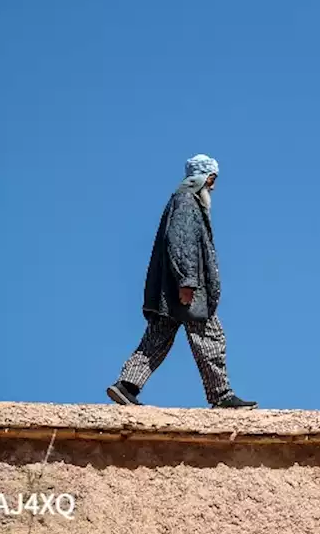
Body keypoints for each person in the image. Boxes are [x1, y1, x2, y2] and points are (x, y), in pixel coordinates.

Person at [106, 154, 256, 409]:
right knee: (210, 335)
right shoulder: (187, 202)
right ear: (203, 178)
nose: (214, 186)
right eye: (212, 179)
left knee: (159, 336)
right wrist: (187, 283)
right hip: (187, 289)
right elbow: (181, 243)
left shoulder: (183, 201)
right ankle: (221, 395)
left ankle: (127, 386)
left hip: (172, 289)